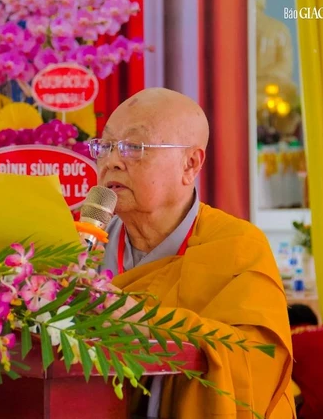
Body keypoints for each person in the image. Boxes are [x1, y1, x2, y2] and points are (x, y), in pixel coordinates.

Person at [89, 88, 295, 418]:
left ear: (190, 164)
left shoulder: (237, 246)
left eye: (134, 147)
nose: (111, 161)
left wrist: (139, 321)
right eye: (105, 146)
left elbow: (254, 361)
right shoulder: (84, 243)